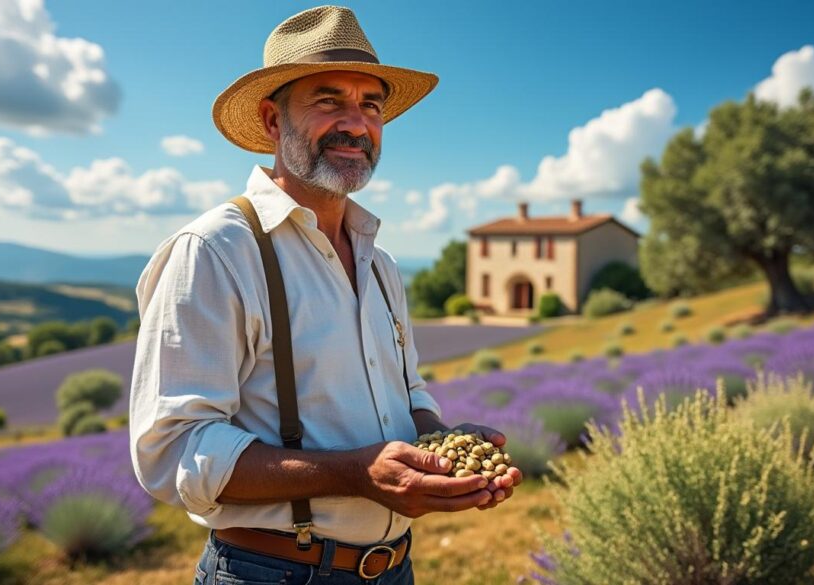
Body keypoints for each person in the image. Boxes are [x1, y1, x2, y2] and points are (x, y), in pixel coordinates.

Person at [128, 6, 522, 584]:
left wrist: (441, 445)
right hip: (271, 572)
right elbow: (175, 450)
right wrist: (354, 474)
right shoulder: (214, 251)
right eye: (329, 101)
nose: (356, 125)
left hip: (393, 570)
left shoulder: (380, 264)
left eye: (372, 106)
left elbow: (407, 394)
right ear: (272, 119)